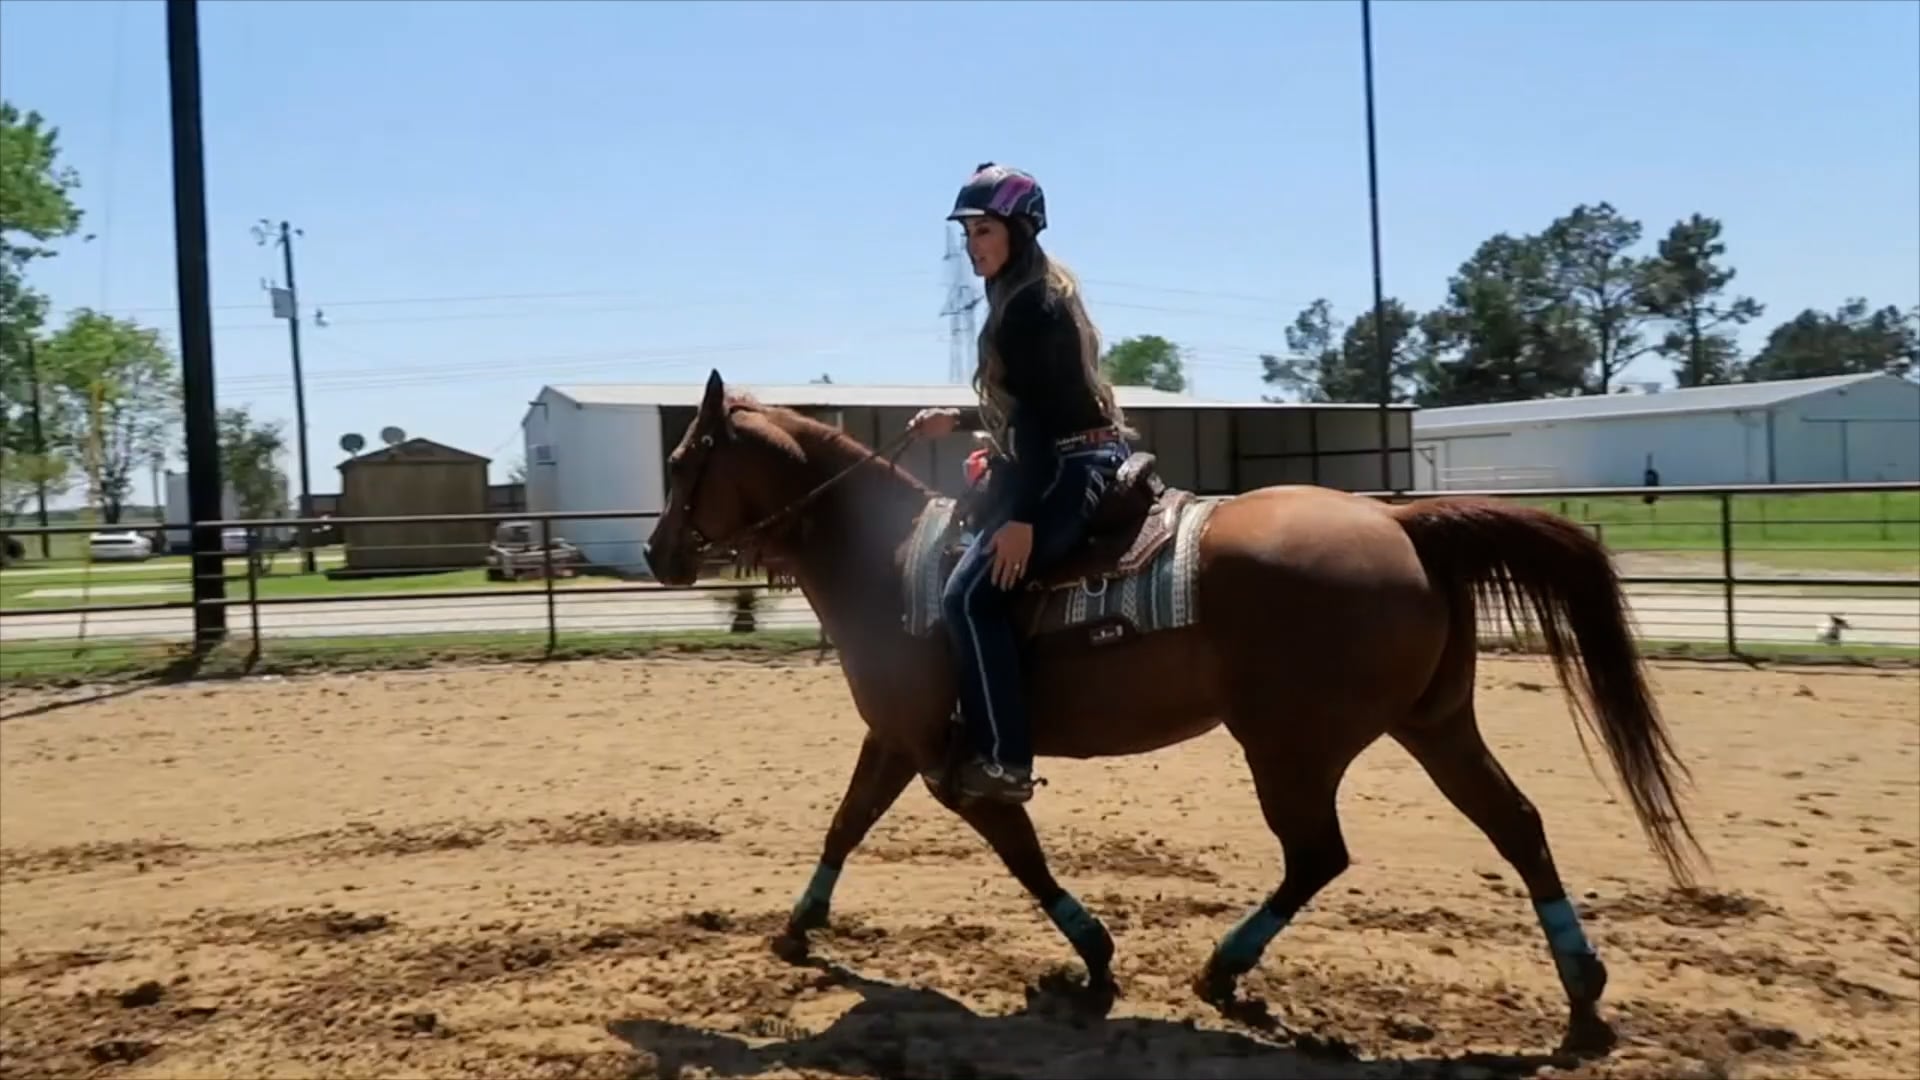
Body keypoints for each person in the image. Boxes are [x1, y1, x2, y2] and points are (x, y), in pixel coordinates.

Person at [907, 162, 1131, 805]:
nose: (974, 244)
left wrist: (1023, 518)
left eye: (985, 230)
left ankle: (1004, 758)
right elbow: (1037, 405)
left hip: (1064, 467)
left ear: (1020, 230)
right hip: (1072, 454)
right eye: (969, 233)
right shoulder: (1028, 292)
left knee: (967, 598)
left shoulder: (1029, 305)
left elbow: (1036, 421)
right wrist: (961, 421)